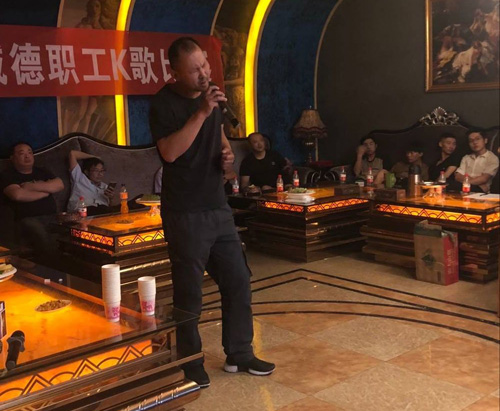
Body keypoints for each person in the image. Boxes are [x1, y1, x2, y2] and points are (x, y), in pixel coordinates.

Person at [149, 37, 275, 388]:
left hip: (217, 206)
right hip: (184, 212)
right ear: (174, 72)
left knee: (238, 278)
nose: (204, 74)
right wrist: (201, 111)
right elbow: (169, 152)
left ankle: (240, 352)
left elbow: (218, 135)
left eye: (205, 65)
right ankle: (189, 362)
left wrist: (226, 154)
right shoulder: (163, 103)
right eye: (194, 70)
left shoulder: (213, 98)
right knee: (189, 292)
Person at [0, 142, 64, 260]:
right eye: (22, 153)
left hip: (52, 216)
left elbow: (59, 185)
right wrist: (46, 191)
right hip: (26, 219)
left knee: (73, 231)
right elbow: (17, 195)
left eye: (30, 152)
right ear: (12, 158)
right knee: (41, 234)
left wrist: (31, 186)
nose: (27, 156)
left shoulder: (42, 171)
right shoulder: (8, 175)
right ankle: (55, 264)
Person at [67, 150, 115, 215]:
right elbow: (72, 153)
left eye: (102, 171)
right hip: (83, 212)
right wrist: (93, 157)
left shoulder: (105, 187)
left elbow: (110, 209)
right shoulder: (79, 178)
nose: (100, 174)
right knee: (100, 209)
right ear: (87, 172)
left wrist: (111, 199)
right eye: (96, 171)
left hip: (102, 214)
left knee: (123, 207)